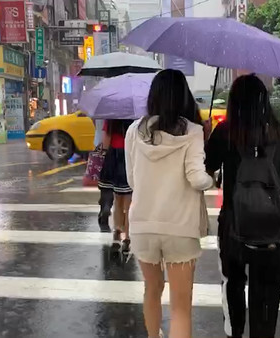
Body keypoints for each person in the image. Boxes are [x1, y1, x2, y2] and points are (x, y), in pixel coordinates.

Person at [205, 74, 280, 338]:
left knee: (233, 285)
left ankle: (234, 332)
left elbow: (208, 171)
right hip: (272, 228)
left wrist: (208, 139)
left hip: (234, 225)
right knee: (266, 294)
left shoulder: (225, 132)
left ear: (234, 102)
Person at [125, 69, 213, 338]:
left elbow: (131, 179)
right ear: (183, 97)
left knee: (152, 291)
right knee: (180, 307)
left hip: (143, 225)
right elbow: (197, 179)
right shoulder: (193, 131)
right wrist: (212, 176)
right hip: (180, 228)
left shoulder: (134, 131)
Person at [99, 119, 134, 252]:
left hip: (114, 158)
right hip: (130, 158)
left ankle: (117, 233)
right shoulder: (136, 120)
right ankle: (127, 237)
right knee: (129, 203)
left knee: (118, 199)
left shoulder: (111, 118)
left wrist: (103, 153)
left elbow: (106, 142)